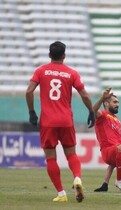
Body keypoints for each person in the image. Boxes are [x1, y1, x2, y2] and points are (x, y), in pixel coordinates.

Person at [25, 41, 95, 202]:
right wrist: (91, 111)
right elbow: (84, 94)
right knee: (71, 153)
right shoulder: (72, 73)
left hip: (47, 121)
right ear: (64, 56)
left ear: (49, 55)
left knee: (51, 158)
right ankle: (77, 177)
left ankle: (61, 194)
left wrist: (32, 112)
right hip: (66, 120)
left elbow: (29, 91)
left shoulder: (40, 71)